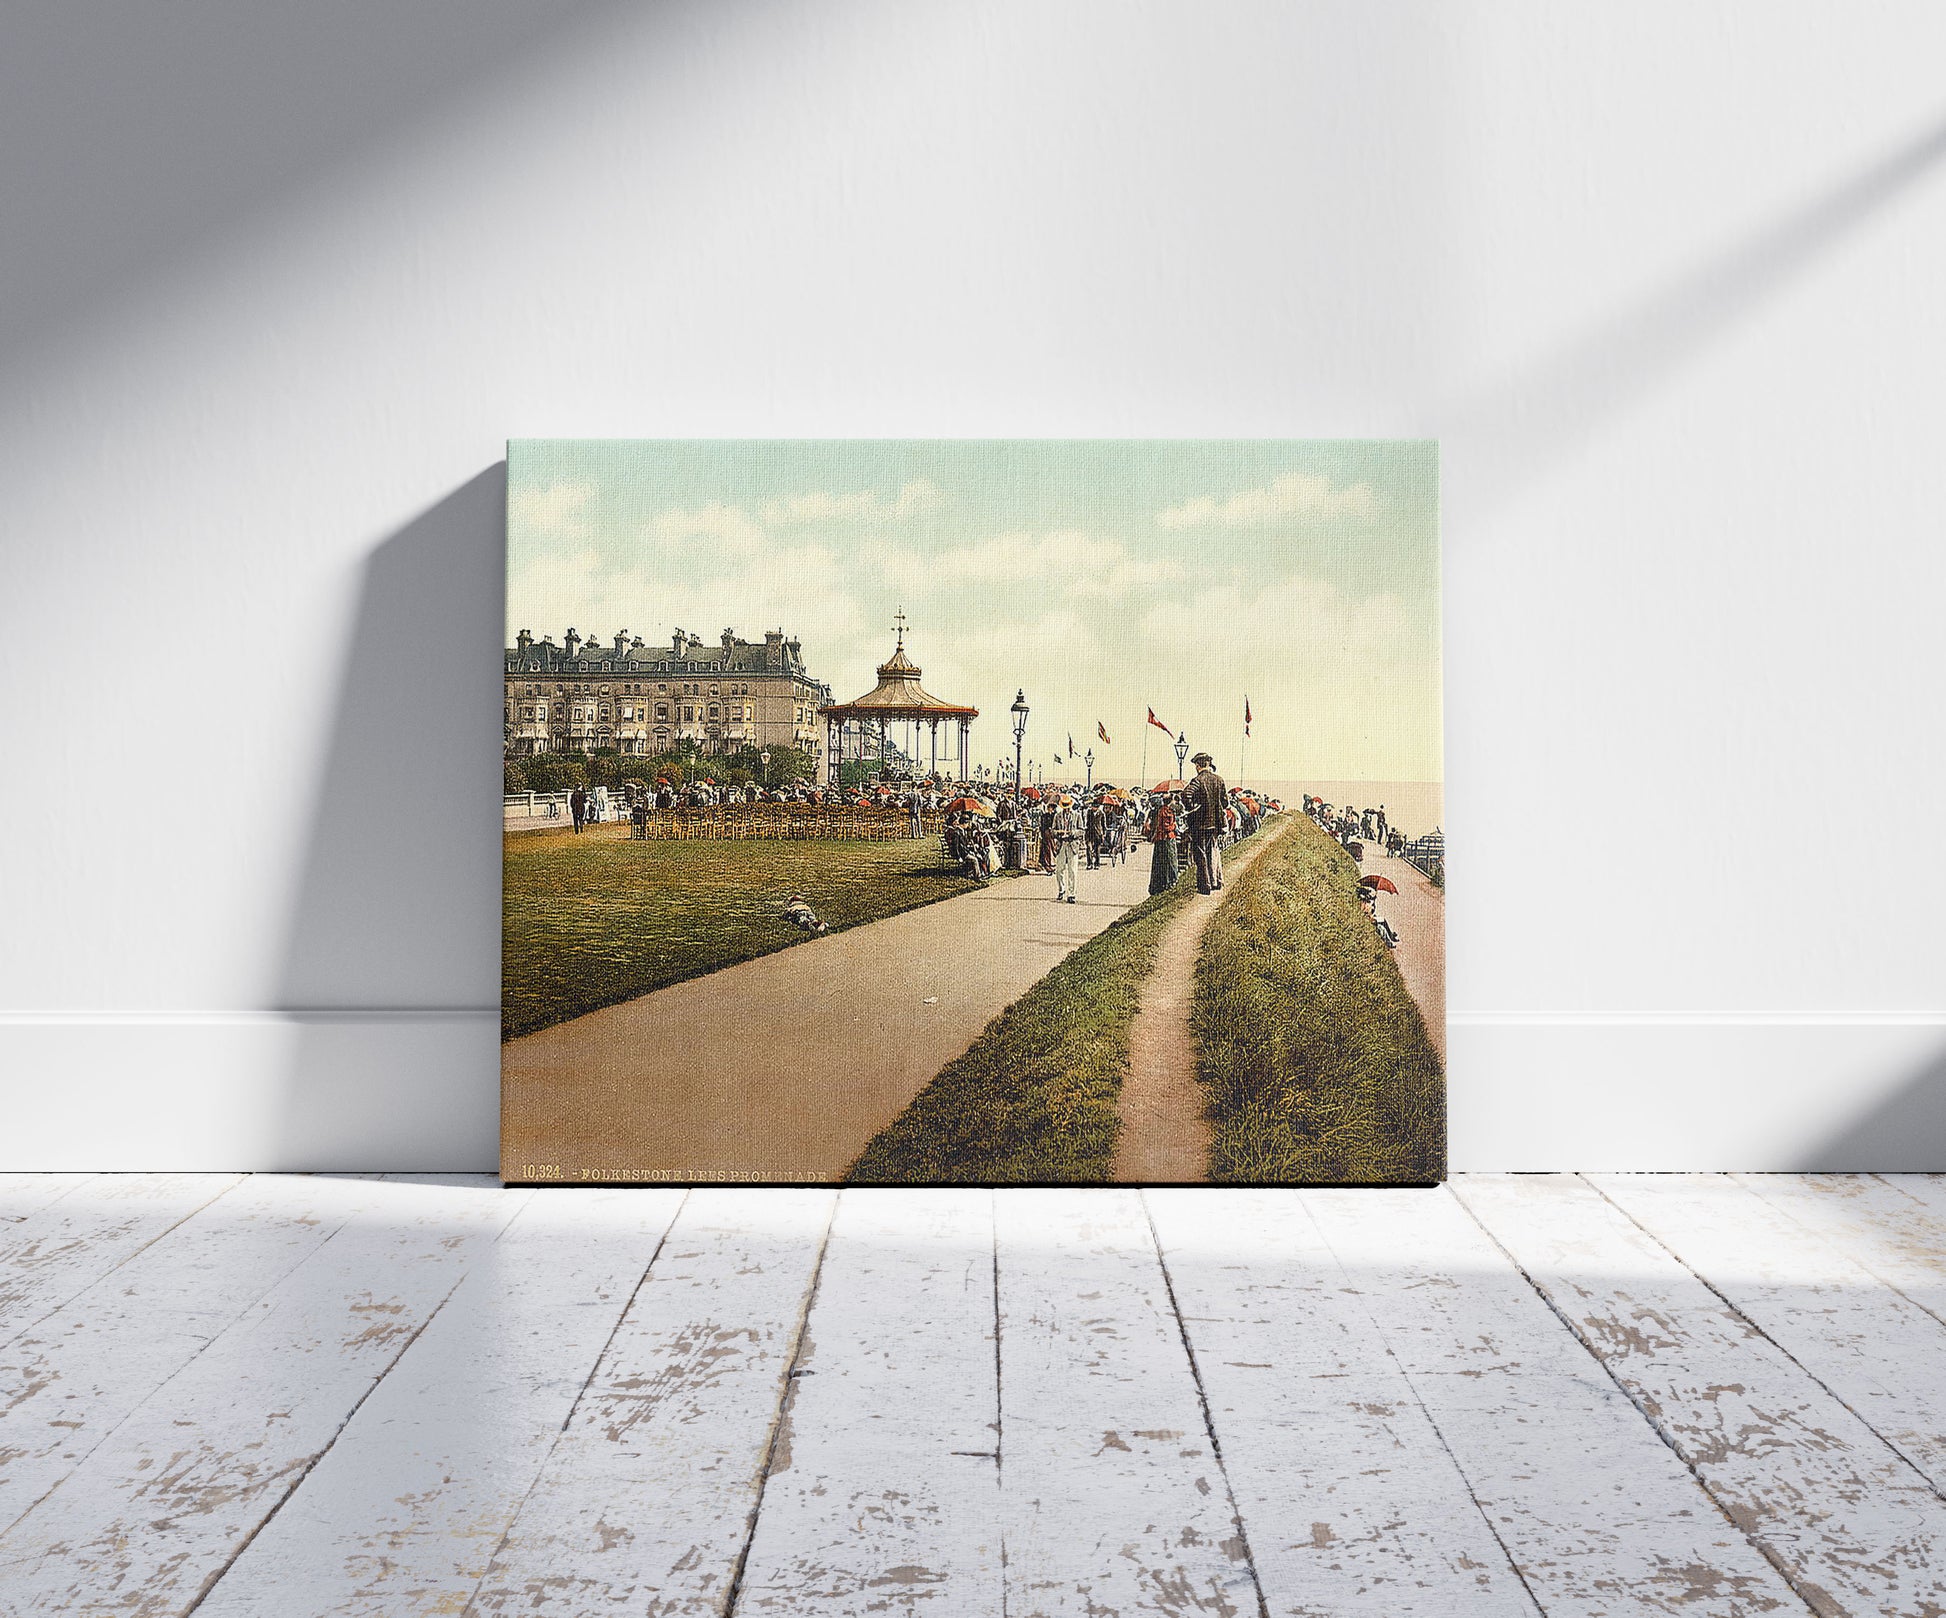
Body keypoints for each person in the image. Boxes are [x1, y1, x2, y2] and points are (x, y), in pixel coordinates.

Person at [1182, 753, 1227, 894]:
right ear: (1209, 764)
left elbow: (1185, 795)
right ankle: (1215, 881)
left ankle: (1204, 885)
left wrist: (1193, 808)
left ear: (1197, 765)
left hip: (1200, 824)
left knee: (1200, 854)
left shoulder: (1197, 780)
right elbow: (1225, 802)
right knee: (1211, 851)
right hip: (1215, 823)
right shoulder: (1219, 780)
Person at [1049, 794, 1082, 903]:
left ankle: (1071, 894)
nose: (1066, 808)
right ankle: (1061, 889)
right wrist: (1058, 833)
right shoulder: (1057, 816)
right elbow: (1052, 831)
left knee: (1072, 871)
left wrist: (1073, 833)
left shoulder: (1077, 816)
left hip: (1072, 845)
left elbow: (1082, 831)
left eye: (1067, 805)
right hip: (1061, 844)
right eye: (1064, 806)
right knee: (1059, 870)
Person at [1146, 794, 1180, 894]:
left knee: (1160, 863)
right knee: (1169, 861)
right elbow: (1166, 827)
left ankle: (1161, 884)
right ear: (1170, 801)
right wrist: (1174, 825)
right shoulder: (1166, 811)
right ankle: (1170, 882)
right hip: (1166, 839)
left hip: (1161, 839)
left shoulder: (1161, 810)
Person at [1085, 797, 1106, 869]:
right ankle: (1089, 863)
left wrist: (1103, 834)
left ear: (1098, 807)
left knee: (1097, 849)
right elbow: (1087, 822)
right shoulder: (1089, 812)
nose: (1094, 808)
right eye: (1093, 806)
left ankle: (1097, 863)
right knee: (1088, 848)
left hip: (1098, 833)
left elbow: (1103, 825)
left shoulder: (1101, 814)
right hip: (1089, 832)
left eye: (1095, 807)